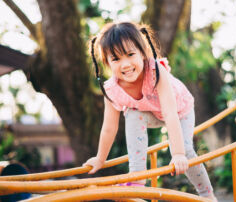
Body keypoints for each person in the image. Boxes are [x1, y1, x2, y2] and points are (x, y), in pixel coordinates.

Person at [82, 22, 217, 201]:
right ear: (107, 62)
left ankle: (208, 195)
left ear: (143, 52)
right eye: (116, 59)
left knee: (185, 149)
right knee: (132, 114)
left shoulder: (155, 71)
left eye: (130, 55)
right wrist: (100, 159)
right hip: (152, 113)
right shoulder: (112, 90)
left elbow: (170, 113)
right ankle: (138, 177)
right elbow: (109, 128)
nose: (125, 64)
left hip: (179, 110)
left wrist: (177, 154)